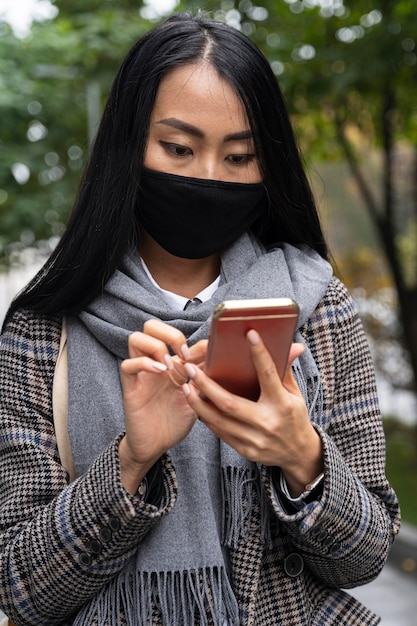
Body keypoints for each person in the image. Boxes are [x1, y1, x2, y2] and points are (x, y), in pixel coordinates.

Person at [0, 12, 400, 626]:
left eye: (240, 157)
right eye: (179, 148)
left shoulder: (316, 307)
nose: (208, 178)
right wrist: (132, 461)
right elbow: (22, 589)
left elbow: (366, 558)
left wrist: (302, 458)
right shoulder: (43, 330)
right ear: (128, 144)